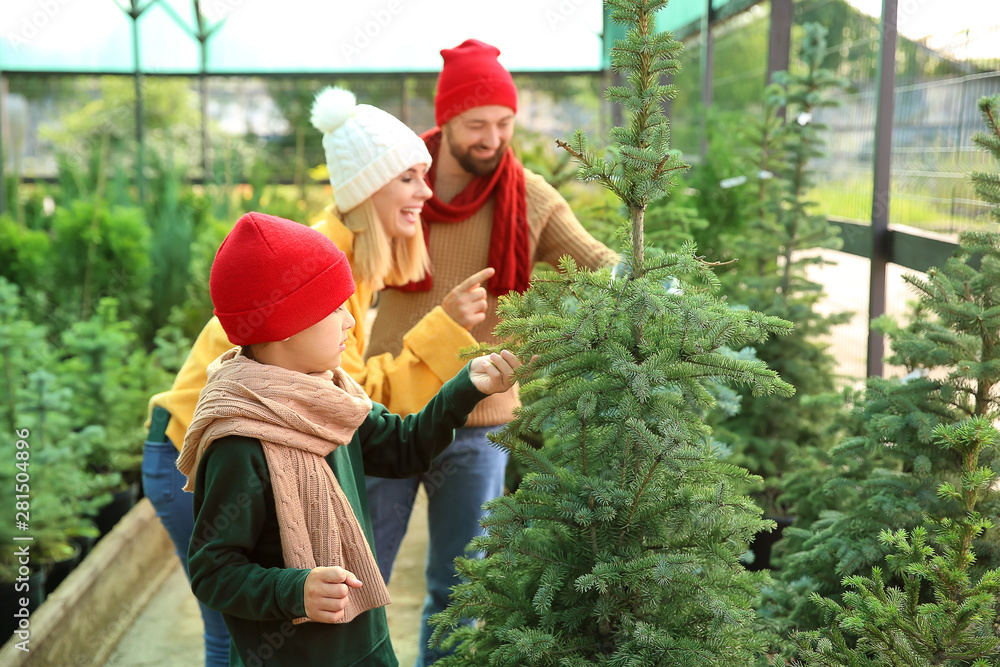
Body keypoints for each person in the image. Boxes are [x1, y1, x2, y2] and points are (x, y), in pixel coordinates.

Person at [142, 87, 493, 666]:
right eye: (408, 177)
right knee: (237, 640)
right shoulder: (311, 264)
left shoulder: (335, 279)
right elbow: (358, 398)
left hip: (254, 436)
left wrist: (462, 381)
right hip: (194, 446)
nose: (425, 192)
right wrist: (441, 334)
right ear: (370, 187)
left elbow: (357, 413)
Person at [363, 38, 620, 665]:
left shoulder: (528, 196)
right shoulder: (402, 186)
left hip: (475, 427)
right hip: (385, 412)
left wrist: (663, 290)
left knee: (459, 594)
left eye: (504, 123)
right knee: (358, 581)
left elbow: (601, 265)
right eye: (477, 124)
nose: (492, 137)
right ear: (445, 120)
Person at [177, 211, 523, 666]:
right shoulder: (240, 441)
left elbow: (406, 448)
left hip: (365, 645)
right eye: (334, 308)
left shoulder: (331, 398)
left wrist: (466, 387)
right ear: (286, 323)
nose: (350, 322)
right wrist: (294, 590)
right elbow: (213, 570)